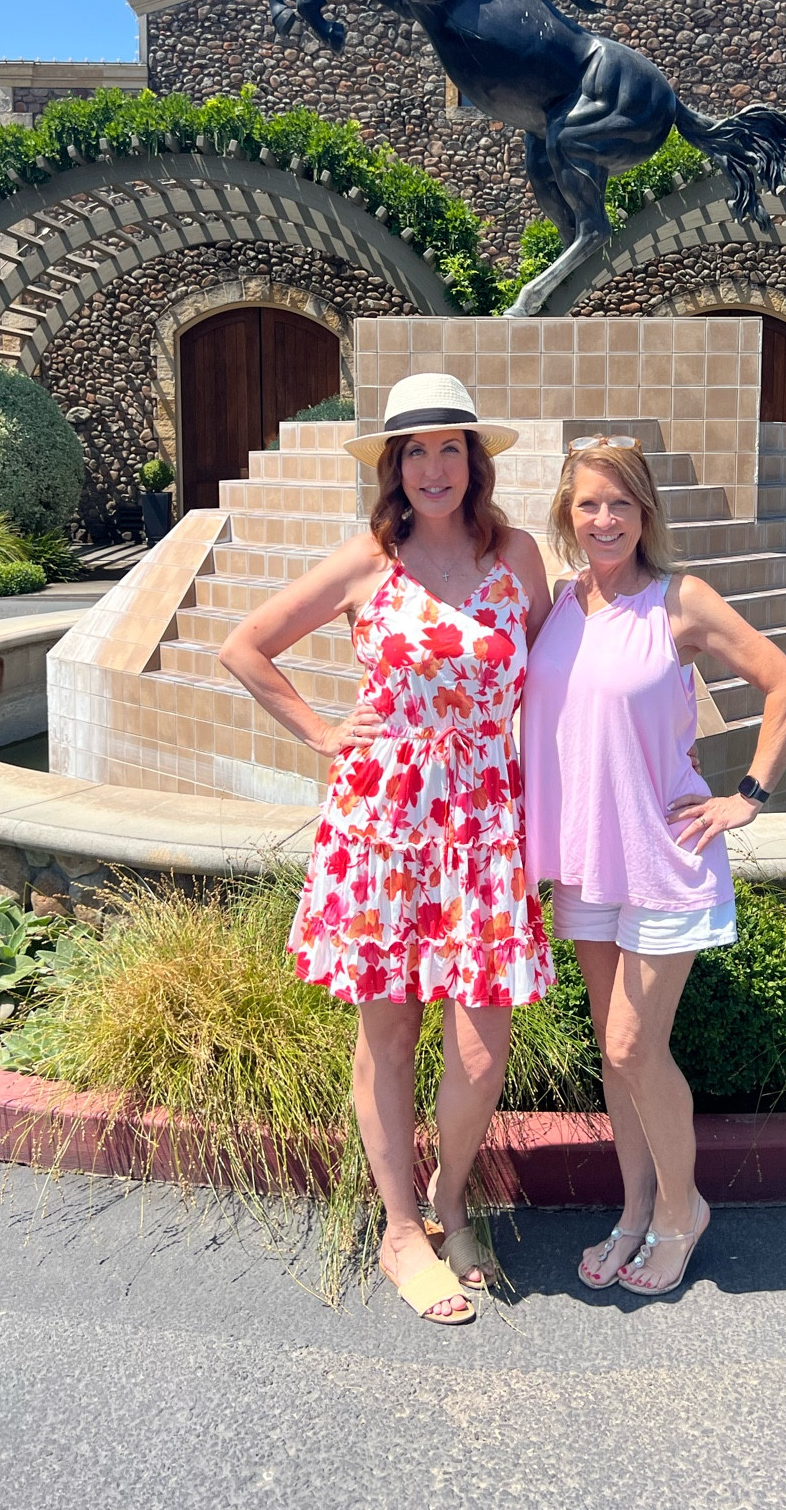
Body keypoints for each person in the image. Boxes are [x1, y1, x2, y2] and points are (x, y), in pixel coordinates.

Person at [219, 374, 553, 1325]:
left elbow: (553, 681)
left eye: (450, 448)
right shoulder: (370, 561)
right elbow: (246, 645)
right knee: (391, 1030)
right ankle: (401, 1227)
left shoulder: (518, 557)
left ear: (474, 462)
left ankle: (452, 1199)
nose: (434, 468)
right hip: (386, 819)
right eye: (416, 452)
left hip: (487, 820)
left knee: (482, 1044)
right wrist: (325, 734)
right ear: (394, 469)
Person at [521, 436, 786, 1298]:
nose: (604, 519)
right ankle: (634, 1211)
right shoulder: (560, 604)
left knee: (632, 1042)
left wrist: (747, 795)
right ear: (567, 517)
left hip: (665, 856)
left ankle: (683, 1214)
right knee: (619, 1060)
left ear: (645, 511)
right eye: (587, 505)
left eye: (620, 503)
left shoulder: (678, 601)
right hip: (585, 863)